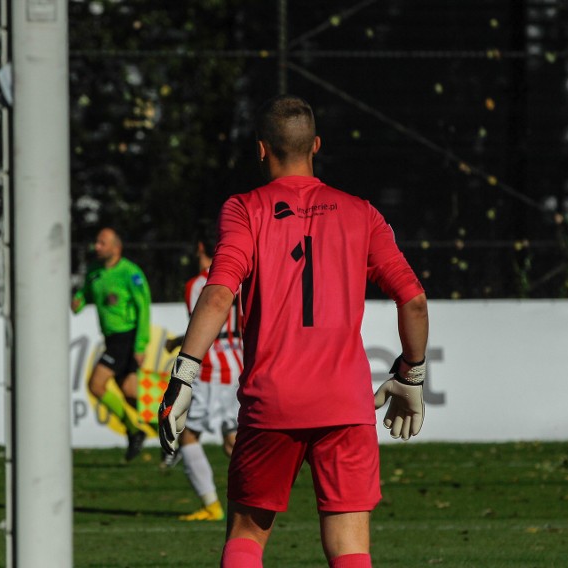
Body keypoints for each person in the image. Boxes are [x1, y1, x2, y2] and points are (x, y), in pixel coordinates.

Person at [158, 95, 429, 568]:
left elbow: (219, 293)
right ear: (316, 146)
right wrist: (411, 375)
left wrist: (184, 375)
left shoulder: (245, 209)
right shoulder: (360, 212)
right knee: (350, 549)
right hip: (345, 404)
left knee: (246, 536)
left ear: (261, 150)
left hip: (272, 401)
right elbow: (414, 299)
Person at [163, 226, 243, 522]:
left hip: (211, 369)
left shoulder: (198, 284)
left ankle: (211, 505)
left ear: (199, 247)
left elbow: (206, 323)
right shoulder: (239, 278)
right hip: (238, 361)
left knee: (188, 436)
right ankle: (261, 492)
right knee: (233, 440)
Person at [72, 227, 152, 462]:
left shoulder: (130, 273)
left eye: (102, 243)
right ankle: (172, 435)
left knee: (96, 385)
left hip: (125, 338)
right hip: (111, 339)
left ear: (116, 248)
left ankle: (133, 430)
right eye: (96, 242)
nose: (97, 246)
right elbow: (85, 294)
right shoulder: (95, 272)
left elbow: (143, 309)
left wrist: (140, 345)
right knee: (130, 393)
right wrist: (78, 299)